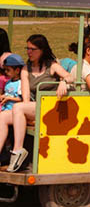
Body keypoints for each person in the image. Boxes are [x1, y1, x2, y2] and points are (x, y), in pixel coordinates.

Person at [0, 34, 73, 173]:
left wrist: (63, 82)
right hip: (33, 107)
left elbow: (70, 77)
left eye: (32, 49)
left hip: (50, 107)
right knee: (3, 116)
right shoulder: (25, 69)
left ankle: (17, 150)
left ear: (42, 50)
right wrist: (27, 116)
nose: (29, 52)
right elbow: (26, 96)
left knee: (18, 107)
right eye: (27, 48)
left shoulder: (52, 66)